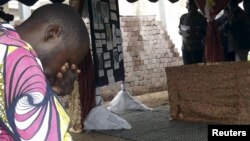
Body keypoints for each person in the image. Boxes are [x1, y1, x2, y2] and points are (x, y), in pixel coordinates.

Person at [0, 3, 90, 141]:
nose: (63, 71)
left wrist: (48, 90)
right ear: (53, 33)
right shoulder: (20, 59)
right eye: (68, 61)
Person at [179, 0, 207, 65]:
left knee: (198, 70)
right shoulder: (183, 17)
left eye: (193, 6)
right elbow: (180, 29)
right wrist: (182, 32)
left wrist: (196, 32)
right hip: (185, 49)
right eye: (190, 6)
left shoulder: (201, 18)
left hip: (197, 49)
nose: (191, 8)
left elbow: (206, 33)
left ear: (197, 7)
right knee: (187, 69)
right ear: (187, 7)